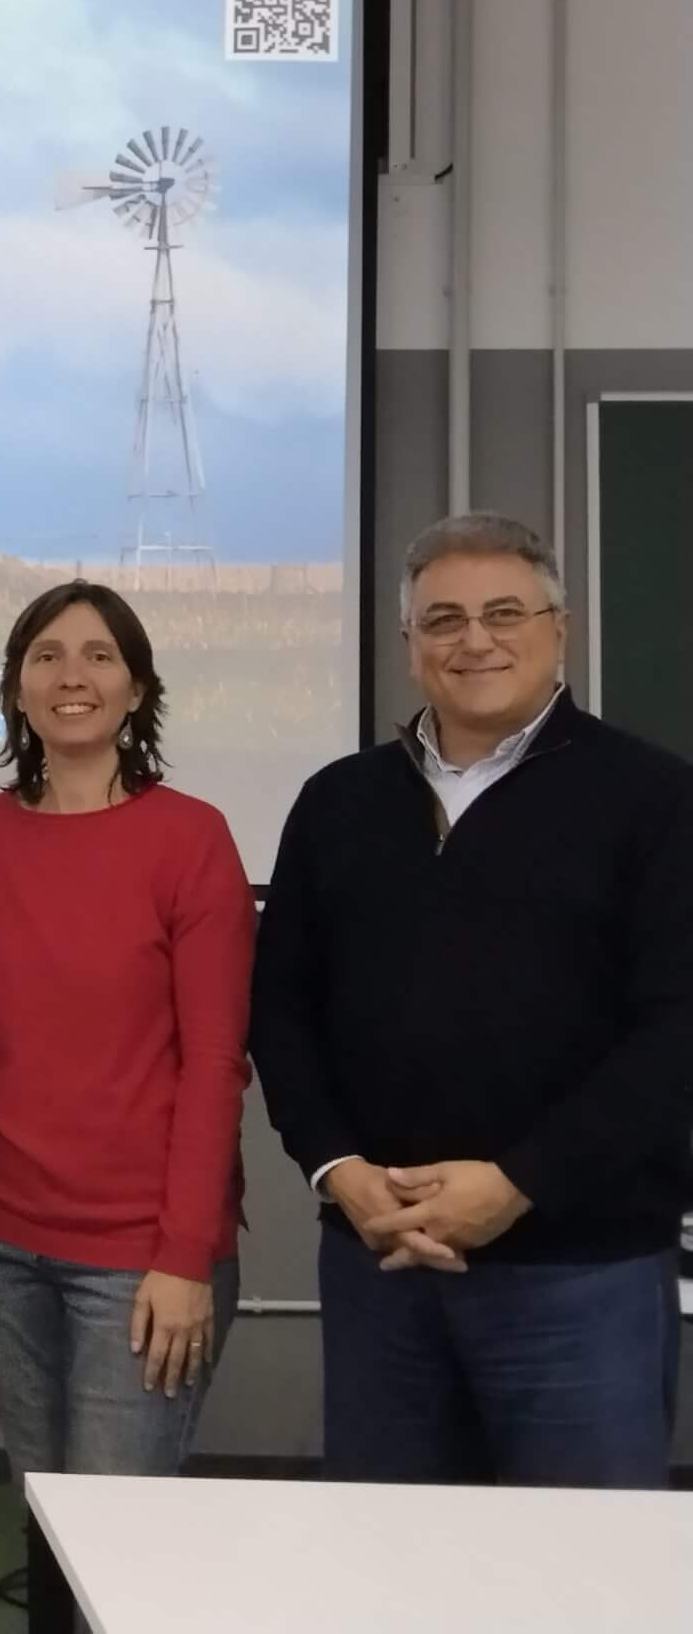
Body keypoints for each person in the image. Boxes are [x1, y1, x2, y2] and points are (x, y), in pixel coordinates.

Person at [250, 513, 693, 1487]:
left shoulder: (657, 801)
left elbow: (676, 1035)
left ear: (559, 629)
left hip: (581, 1273)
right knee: (387, 1574)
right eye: (442, 620)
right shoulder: (338, 801)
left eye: (503, 613)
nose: (474, 639)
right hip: (378, 1268)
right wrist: (336, 1168)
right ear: (409, 646)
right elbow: (279, 1008)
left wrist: (518, 1182)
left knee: (583, 1582)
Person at [0, 581, 253, 1490]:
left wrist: (187, 1256)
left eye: (100, 656)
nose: (72, 677)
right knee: (50, 1520)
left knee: (117, 1534)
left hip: (141, 1255)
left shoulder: (191, 840)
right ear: (17, 688)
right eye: (47, 657)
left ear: (137, 690)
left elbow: (216, 1063)